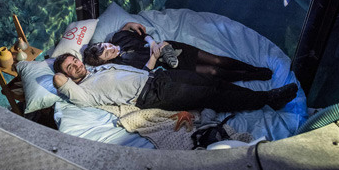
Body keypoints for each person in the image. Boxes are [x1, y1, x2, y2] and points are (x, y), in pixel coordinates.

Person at [52, 52, 298, 113]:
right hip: (152, 94)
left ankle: (259, 94)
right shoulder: (83, 91)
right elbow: (59, 81)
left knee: (213, 81)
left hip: (159, 76)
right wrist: (58, 70)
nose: (76, 65)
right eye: (70, 67)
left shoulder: (96, 68)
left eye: (75, 60)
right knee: (209, 95)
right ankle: (268, 100)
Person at [83, 22, 273, 82]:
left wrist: (150, 41)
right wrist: (154, 56)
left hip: (169, 46)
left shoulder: (116, 38)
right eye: (107, 53)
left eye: (105, 45)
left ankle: (254, 68)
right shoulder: (120, 66)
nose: (110, 48)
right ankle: (250, 77)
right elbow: (144, 74)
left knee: (215, 60)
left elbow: (134, 32)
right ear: (106, 61)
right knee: (212, 72)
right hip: (167, 64)